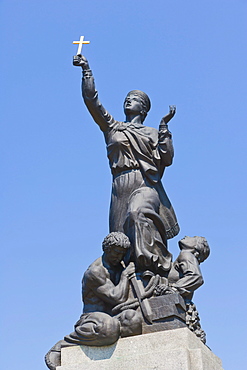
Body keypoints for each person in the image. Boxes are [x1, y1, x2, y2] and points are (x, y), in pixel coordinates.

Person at [73, 54, 179, 276]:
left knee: (137, 212)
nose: (128, 100)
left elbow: (166, 159)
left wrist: (163, 129)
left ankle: (154, 267)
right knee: (120, 238)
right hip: (119, 185)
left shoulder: (151, 132)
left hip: (144, 183)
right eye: (127, 98)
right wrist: (86, 70)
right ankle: (126, 280)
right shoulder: (113, 128)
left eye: (134, 99)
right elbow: (92, 101)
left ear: (143, 109)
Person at [45, 232, 141, 370]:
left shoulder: (119, 265)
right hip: (93, 318)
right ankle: (64, 345)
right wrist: (125, 276)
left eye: (121, 253)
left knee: (133, 320)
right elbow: (117, 297)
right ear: (107, 249)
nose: (118, 257)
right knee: (109, 327)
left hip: (113, 315)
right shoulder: (95, 272)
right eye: (115, 253)